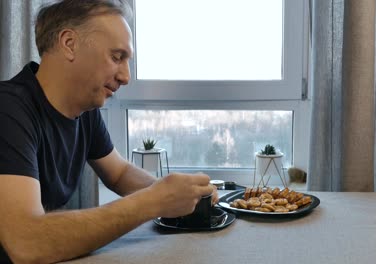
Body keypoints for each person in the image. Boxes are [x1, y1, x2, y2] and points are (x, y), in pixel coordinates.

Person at [0, 1, 218, 263]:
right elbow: (26, 242)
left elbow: (119, 173)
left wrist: (179, 193)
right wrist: (152, 202)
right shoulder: (8, 109)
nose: (126, 77)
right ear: (69, 43)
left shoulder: (84, 110)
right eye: (116, 57)